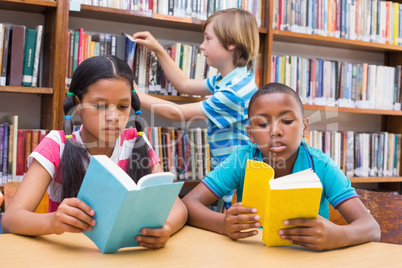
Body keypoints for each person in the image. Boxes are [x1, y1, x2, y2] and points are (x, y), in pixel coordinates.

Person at [1, 55, 187, 249]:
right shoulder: (57, 144)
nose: (113, 117)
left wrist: (165, 228)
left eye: (123, 107)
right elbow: (10, 221)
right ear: (78, 105)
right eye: (100, 106)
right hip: (68, 255)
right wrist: (53, 221)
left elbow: (178, 208)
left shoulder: (136, 141)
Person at [182, 82, 381, 251]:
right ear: (250, 133)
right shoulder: (242, 160)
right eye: (262, 124)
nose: (275, 131)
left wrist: (338, 235)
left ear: (304, 127)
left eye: (286, 121)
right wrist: (222, 224)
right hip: (252, 256)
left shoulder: (321, 165)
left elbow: (371, 228)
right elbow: (190, 203)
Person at [132, 8, 260, 168]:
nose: (202, 46)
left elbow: (174, 113)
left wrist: (133, 92)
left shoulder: (235, 92)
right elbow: (184, 84)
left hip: (236, 178)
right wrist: (157, 48)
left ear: (231, 43)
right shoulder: (229, 79)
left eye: (208, 39)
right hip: (227, 172)